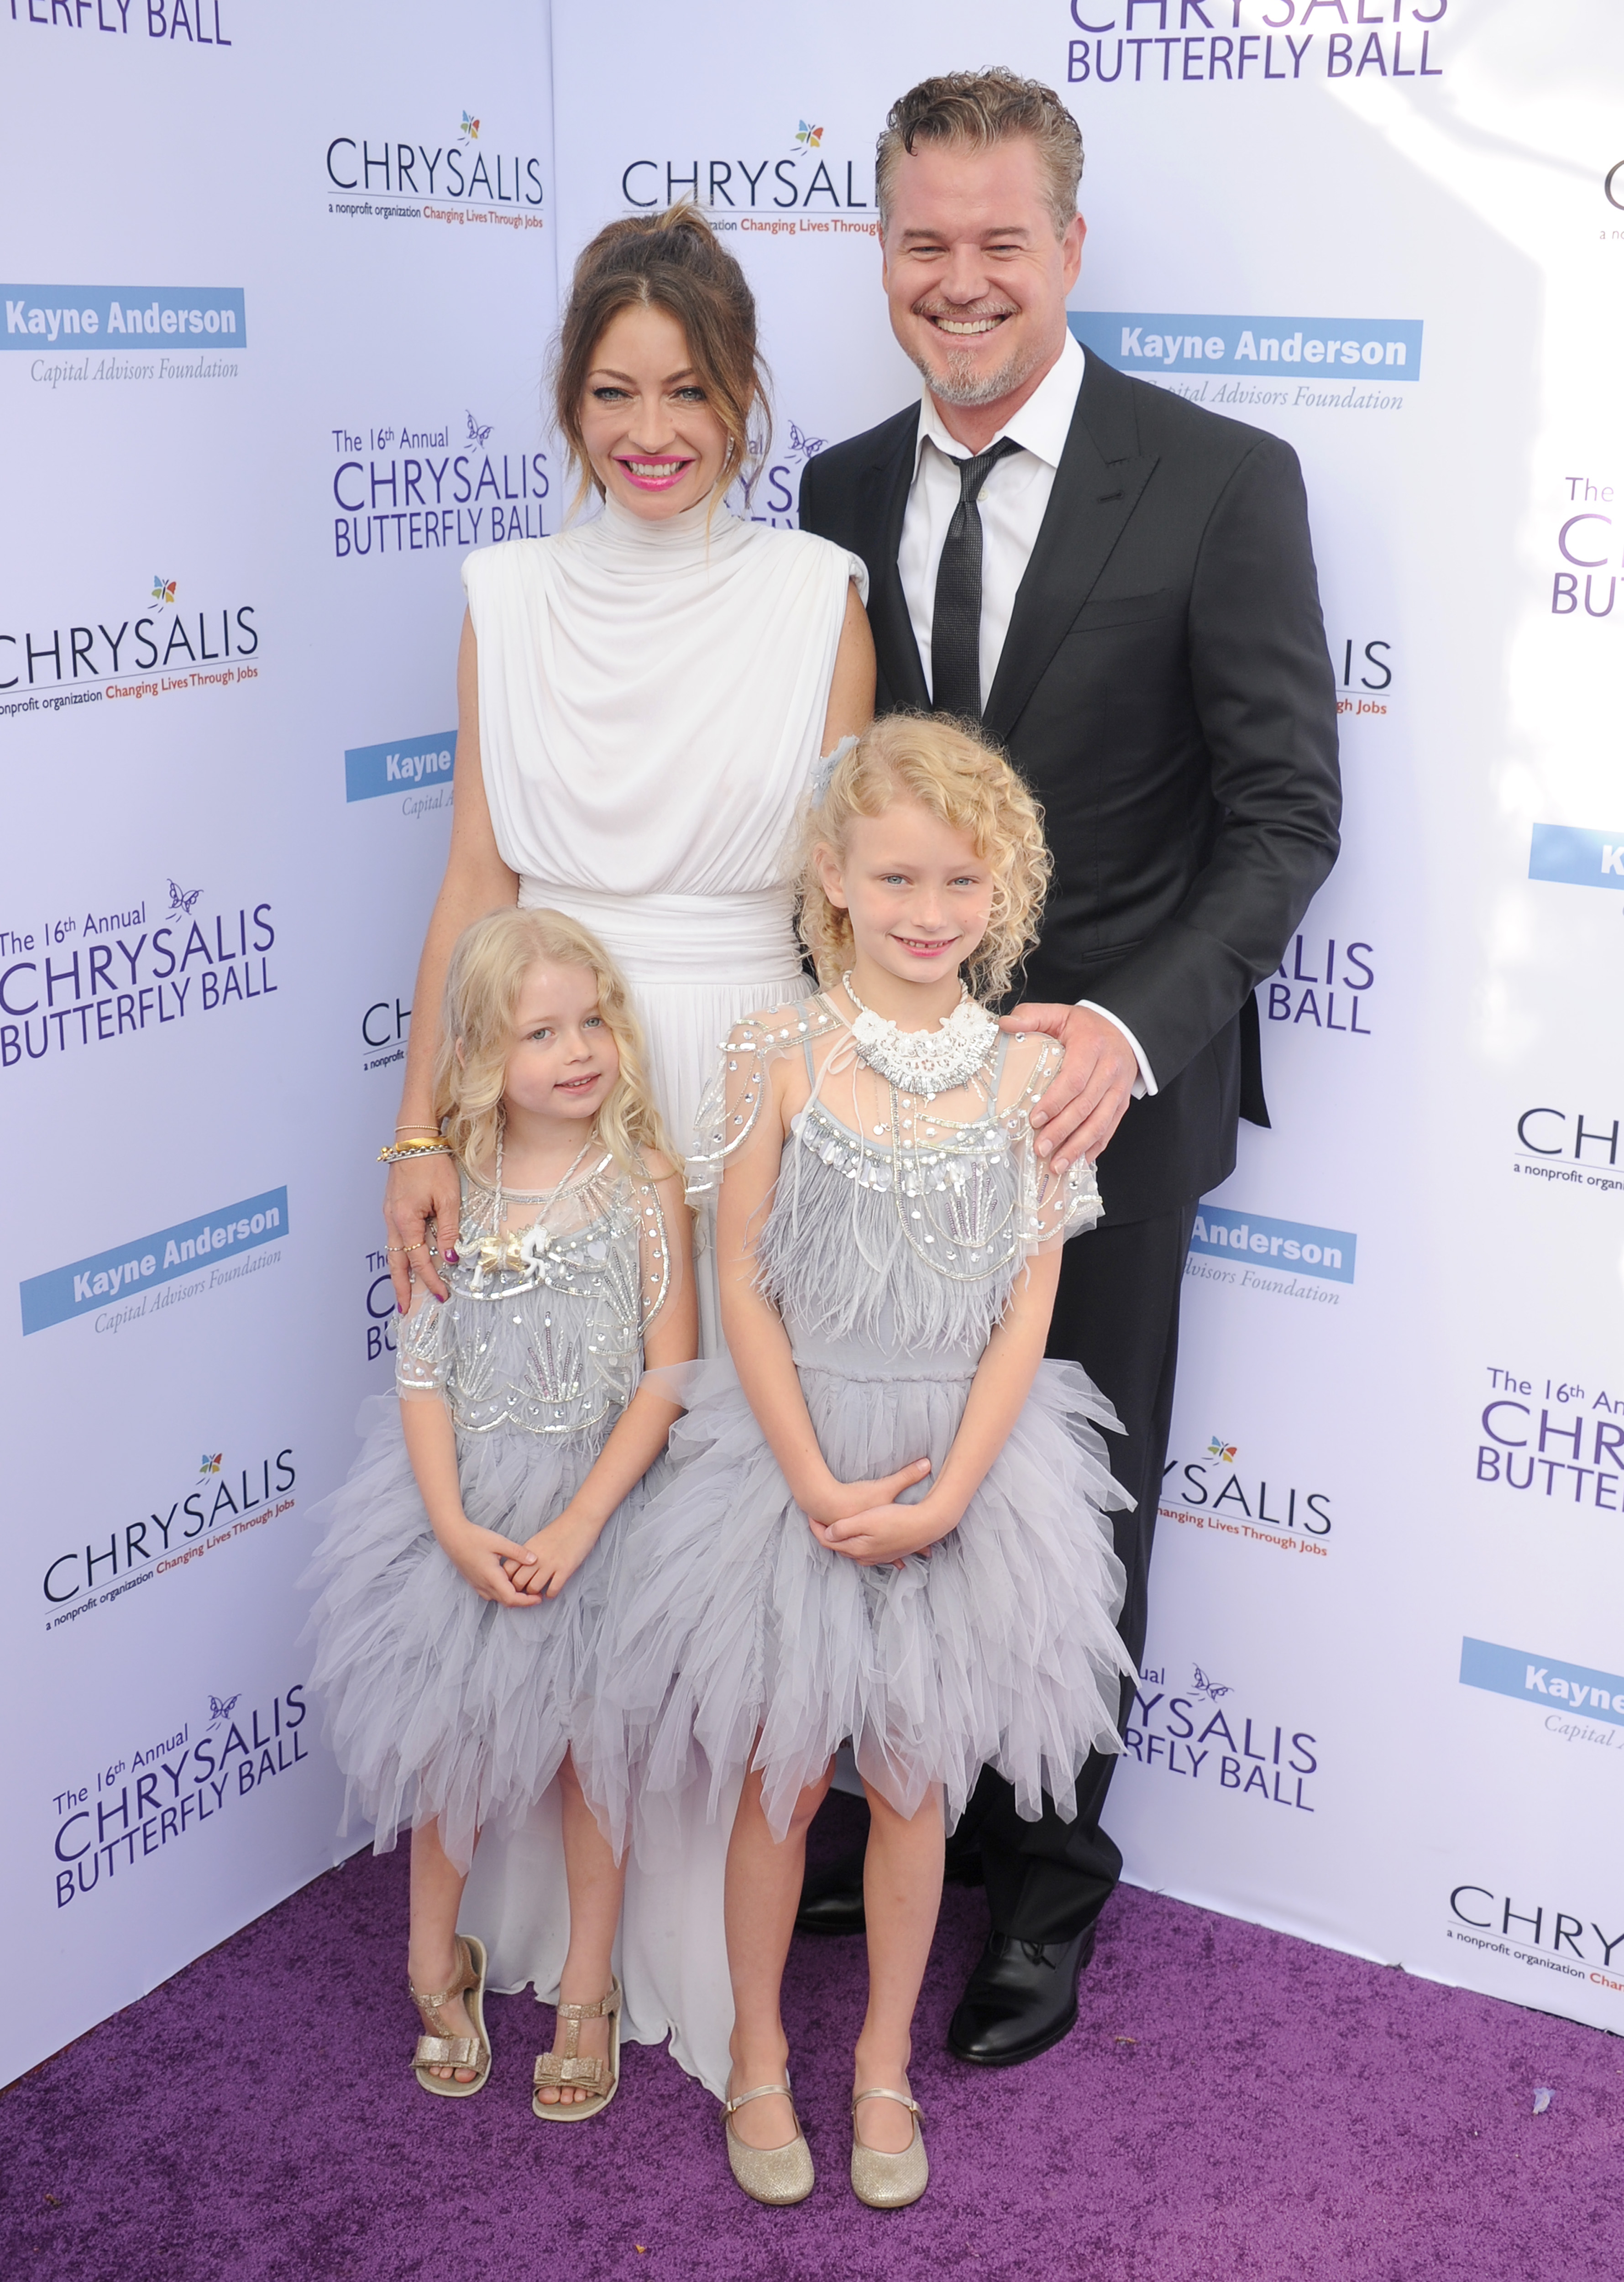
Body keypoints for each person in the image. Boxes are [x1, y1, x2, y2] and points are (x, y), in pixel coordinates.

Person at [795, 71, 1342, 2066]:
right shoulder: (833, 491)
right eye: (921, 244)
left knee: (1076, 1491)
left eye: (997, 243)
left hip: (1102, 1094)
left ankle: (1046, 1867)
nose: (959, 282)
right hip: (881, 1098)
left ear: (1069, 248)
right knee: (881, 1442)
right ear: (881, 252)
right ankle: (895, 1803)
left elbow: (1281, 815)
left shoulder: (1217, 479)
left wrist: (1120, 1032)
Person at [586, 718, 1134, 2207]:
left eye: (960, 881)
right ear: (831, 877)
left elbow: (1027, 1309)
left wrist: (948, 1493)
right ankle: (758, 2050)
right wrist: (813, 1480)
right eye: (894, 876)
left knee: (909, 1783)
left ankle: (880, 2061)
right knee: (777, 1779)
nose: (925, 910)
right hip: (792, 1461)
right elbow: (740, 1277)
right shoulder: (774, 1055)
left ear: (1002, 890)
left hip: (963, 1469)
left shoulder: (1031, 1075)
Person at [382, 203, 873, 1355]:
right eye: (614, 392)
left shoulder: (818, 598)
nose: (651, 432)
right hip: (544, 1078)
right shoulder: (506, 599)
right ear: (572, 402)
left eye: (688, 390)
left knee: (740, 1425)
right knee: (554, 1427)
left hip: (754, 1077)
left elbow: (844, 913)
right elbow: (475, 884)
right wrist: (417, 1133)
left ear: (741, 394)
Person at [306, 908, 697, 2115]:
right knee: (451, 1744)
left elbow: (668, 1377)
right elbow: (421, 1375)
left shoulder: (644, 1184)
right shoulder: (452, 1194)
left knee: (594, 1751)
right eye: (541, 1032)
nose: (579, 1051)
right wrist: (448, 1522)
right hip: (467, 1503)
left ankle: (588, 1982)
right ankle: (436, 1959)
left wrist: (580, 1523)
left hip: (603, 1510)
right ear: (478, 1053)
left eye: (593, 1022)